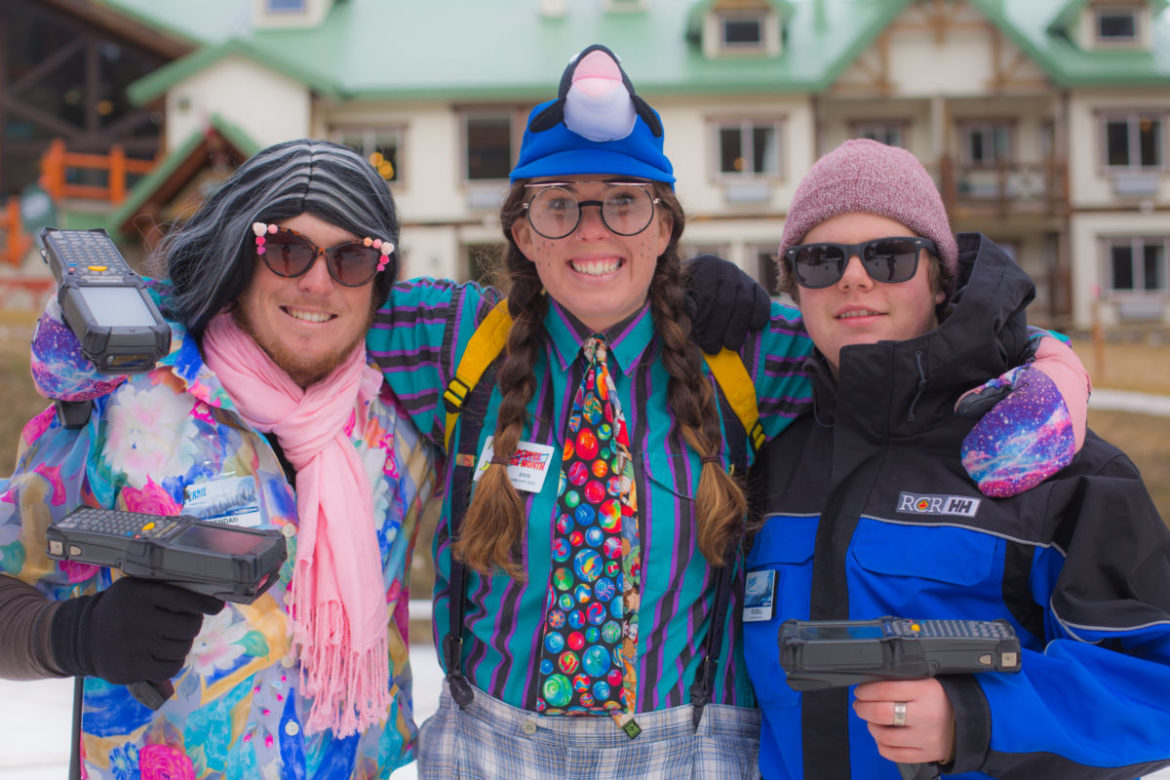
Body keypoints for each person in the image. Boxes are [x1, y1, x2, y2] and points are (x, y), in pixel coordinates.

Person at [364, 46, 1087, 778]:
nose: (592, 231)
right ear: (523, 233)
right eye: (558, 205)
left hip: (688, 749)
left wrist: (1053, 362)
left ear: (663, 228)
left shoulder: (748, 354)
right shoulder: (455, 340)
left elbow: (915, 339)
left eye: (623, 201)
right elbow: (311, 308)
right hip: (488, 748)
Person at [0, 139, 434, 779]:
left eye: (351, 257)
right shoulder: (127, 402)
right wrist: (79, 634)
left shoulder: (403, 428)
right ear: (239, 257)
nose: (317, 281)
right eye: (286, 249)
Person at [742, 139, 1170, 779]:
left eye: (889, 256)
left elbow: (1152, 681)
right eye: (821, 260)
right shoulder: (763, 467)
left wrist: (975, 715)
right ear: (795, 289)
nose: (854, 277)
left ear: (940, 280)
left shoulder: (1050, 463)